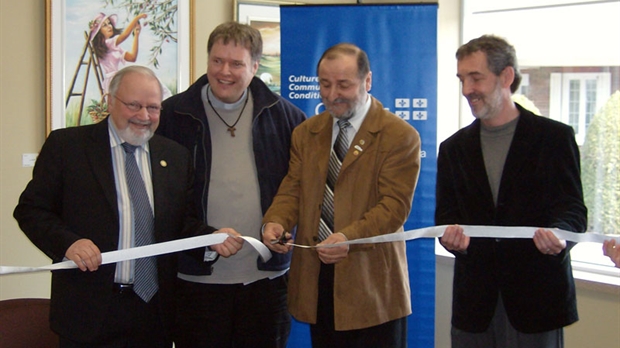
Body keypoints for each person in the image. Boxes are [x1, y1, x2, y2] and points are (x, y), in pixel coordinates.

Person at [13, 66, 237, 347]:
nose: (144, 116)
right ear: (110, 101)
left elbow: (180, 225)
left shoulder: (175, 157)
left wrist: (210, 240)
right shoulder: (68, 146)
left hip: (154, 314)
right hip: (89, 312)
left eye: (153, 108)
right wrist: (68, 243)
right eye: (134, 105)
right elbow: (31, 210)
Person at [156, 21, 306, 347]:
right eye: (217, 61)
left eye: (236, 63)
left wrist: (287, 228)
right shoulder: (172, 116)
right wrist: (202, 238)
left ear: (255, 67)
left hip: (266, 282)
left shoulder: (288, 118)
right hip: (196, 281)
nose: (225, 71)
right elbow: (160, 201)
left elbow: (300, 190)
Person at [262, 43, 421, 348]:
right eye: (324, 83)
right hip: (318, 280)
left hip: (373, 287)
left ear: (368, 81)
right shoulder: (306, 133)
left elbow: (393, 207)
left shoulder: (400, 136)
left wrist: (349, 237)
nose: (332, 94)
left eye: (344, 85)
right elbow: (292, 189)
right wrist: (276, 221)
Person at [436, 35, 587, 348]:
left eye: (475, 78)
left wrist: (560, 234)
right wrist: (452, 240)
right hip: (474, 306)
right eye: (462, 79)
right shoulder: (453, 149)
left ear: (506, 76)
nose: (466, 90)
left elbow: (573, 209)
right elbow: (446, 216)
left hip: (536, 302)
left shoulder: (554, 138)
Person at [89, 12, 147, 94]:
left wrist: (136, 35)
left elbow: (132, 58)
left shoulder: (114, 47)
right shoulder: (107, 43)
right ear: (99, 32)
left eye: (109, 23)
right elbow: (124, 35)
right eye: (104, 25)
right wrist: (136, 18)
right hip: (113, 82)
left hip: (119, 79)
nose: (109, 26)